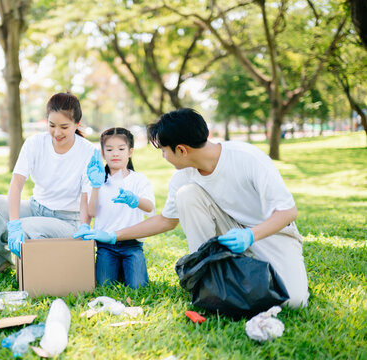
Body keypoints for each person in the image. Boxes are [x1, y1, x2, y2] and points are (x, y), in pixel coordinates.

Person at [75, 108, 309, 308]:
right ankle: (207, 278)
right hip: (227, 235)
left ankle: (243, 265)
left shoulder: (248, 158)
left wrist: (251, 235)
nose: (164, 157)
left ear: (182, 150)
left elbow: (288, 212)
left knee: (294, 300)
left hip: (270, 231)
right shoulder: (183, 177)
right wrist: (114, 235)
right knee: (187, 194)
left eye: (164, 151)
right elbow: (166, 220)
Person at [0, 92, 96, 276]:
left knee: (26, 226)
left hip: (68, 220)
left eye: (64, 127)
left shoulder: (88, 152)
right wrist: (13, 225)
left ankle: (32, 266)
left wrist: (85, 228)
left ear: (77, 124)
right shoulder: (35, 143)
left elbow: (87, 198)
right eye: (52, 125)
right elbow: (16, 185)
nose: (57, 132)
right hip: (36, 208)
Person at [73, 128, 155, 289]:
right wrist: (96, 187)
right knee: (104, 286)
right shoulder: (96, 180)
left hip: (132, 245)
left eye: (121, 149)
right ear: (103, 153)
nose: (115, 153)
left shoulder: (139, 180)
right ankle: (118, 269)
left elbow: (149, 207)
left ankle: (126, 269)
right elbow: (92, 212)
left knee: (138, 287)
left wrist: (135, 200)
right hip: (106, 246)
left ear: (130, 152)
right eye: (109, 149)